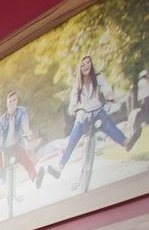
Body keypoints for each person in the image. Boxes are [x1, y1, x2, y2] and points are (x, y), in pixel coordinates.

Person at [47, 55, 136, 187]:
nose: (86, 66)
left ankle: (126, 142)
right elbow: (72, 103)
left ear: (91, 64)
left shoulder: (98, 77)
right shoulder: (77, 85)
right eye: (83, 64)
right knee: (72, 140)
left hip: (97, 112)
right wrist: (73, 108)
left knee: (107, 122)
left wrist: (110, 97)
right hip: (83, 117)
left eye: (88, 63)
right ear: (80, 68)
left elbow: (107, 89)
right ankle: (59, 168)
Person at [0, 90, 44, 199]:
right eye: (10, 101)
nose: (12, 103)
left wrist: (27, 132)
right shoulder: (2, 120)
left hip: (18, 146)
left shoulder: (22, 111)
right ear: (7, 103)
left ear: (17, 101)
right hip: (5, 149)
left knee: (27, 161)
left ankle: (35, 179)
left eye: (14, 100)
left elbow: (25, 124)